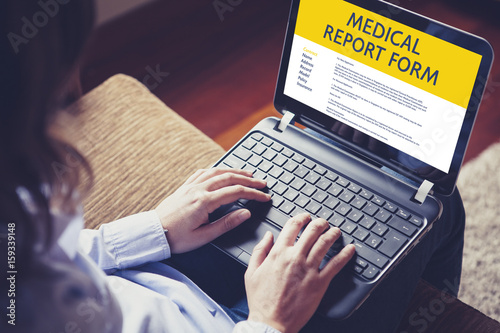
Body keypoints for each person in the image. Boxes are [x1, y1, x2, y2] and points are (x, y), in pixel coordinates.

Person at [0, 1, 465, 333]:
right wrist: (268, 320)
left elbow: (53, 255)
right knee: (438, 199)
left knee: (360, 164)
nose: (75, 91)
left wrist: (153, 229)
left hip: (167, 281)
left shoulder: (15, 215)